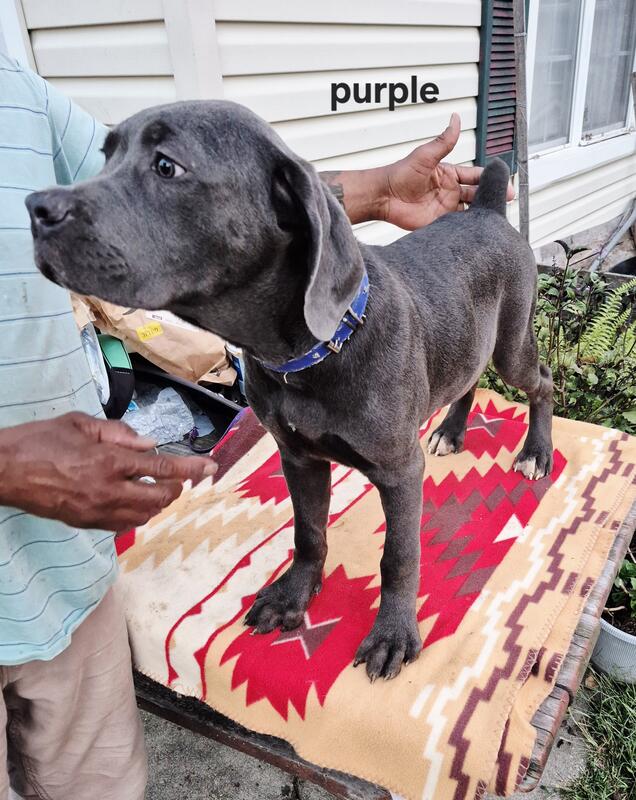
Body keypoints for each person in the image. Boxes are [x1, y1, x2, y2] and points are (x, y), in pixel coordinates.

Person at [0, 52, 513, 800]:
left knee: (515, 370)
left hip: (65, 572)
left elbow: (252, 189)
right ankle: (309, 561)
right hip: (46, 556)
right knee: (300, 451)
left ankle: (510, 406)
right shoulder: (267, 366)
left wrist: (399, 602)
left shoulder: (12, 81)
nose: (53, 204)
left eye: (162, 166)